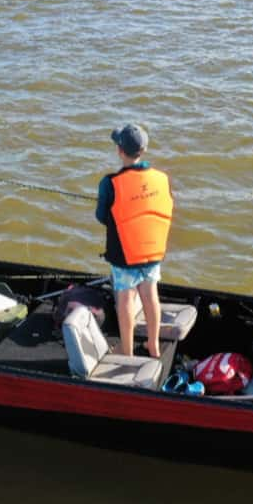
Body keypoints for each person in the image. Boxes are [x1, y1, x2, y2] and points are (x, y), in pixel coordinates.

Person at [95, 124, 174, 359]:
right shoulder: (162, 178)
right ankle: (153, 345)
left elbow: (101, 217)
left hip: (124, 254)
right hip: (153, 250)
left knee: (126, 299)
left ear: (120, 151)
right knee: (151, 295)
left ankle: (127, 351)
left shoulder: (109, 183)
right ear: (144, 150)